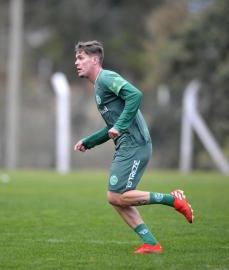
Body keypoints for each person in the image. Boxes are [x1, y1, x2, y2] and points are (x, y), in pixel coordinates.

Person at [73, 40, 194, 254]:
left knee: (117, 195)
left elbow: (135, 95)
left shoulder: (107, 78)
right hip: (127, 146)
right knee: (116, 198)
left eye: (81, 58)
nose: (77, 62)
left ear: (94, 60)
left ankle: (173, 200)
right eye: (76, 58)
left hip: (135, 145)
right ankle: (151, 244)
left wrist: (119, 126)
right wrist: (88, 142)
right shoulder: (98, 87)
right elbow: (112, 127)